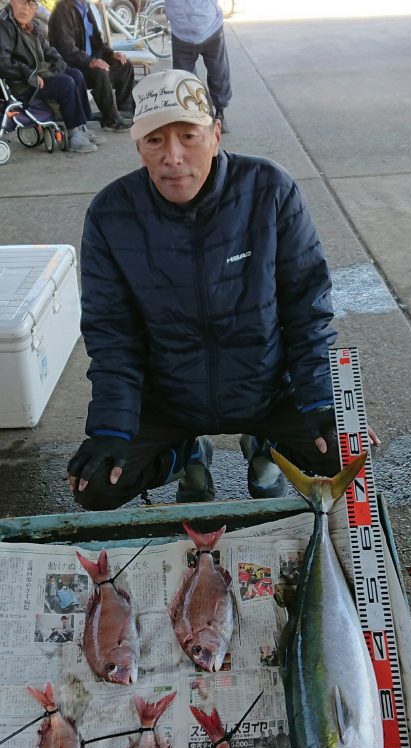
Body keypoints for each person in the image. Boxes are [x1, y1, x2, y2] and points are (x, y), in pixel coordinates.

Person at [67, 68, 380, 512]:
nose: (173, 156)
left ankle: (267, 445)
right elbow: (112, 334)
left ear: (215, 135)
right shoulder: (110, 213)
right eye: (155, 140)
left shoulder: (271, 189)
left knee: (350, 459)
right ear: (139, 148)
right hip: (169, 399)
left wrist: (322, 402)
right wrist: (111, 428)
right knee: (94, 485)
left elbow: (308, 310)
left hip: (266, 390)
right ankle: (184, 455)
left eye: (188, 136)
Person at [0, 0, 97, 153]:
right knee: (66, 84)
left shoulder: (31, 25)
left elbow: (49, 50)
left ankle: (82, 126)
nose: (26, 8)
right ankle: (73, 134)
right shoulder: (4, 25)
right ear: (12, 1)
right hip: (21, 83)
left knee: (76, 75)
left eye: (31, 4)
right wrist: (30, 74)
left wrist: (58, 64)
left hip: (37, 74)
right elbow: (3, 63)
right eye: (22, 2)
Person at [48, 0, 133, 132]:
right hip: (72, 64)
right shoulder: (62, 9)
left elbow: (97, 42)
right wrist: (90, 61)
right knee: (100, 71)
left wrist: (111, 53)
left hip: (87, 60)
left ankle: (125, 111)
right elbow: (66, 48)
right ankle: (111, 120)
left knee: (125, 64)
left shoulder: (85, 7)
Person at [165, 0, 231, 132]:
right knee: (184, 79)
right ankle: (199, 114)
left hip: (207, 28)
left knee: (216, 72)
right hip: (184, 30)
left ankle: (218, 112)